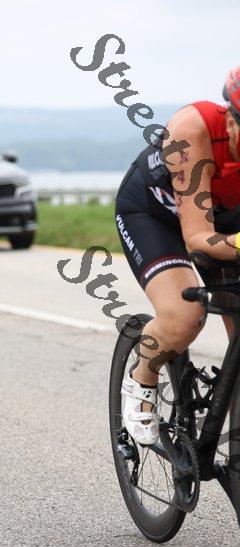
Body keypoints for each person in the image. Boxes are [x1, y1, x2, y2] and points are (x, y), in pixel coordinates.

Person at [116, 66, 240, 445]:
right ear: (231, 121)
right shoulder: (192, 130)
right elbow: (198, 237)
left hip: (224, 223)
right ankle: (143, 376)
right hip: (155, 215)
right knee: (185, 316)